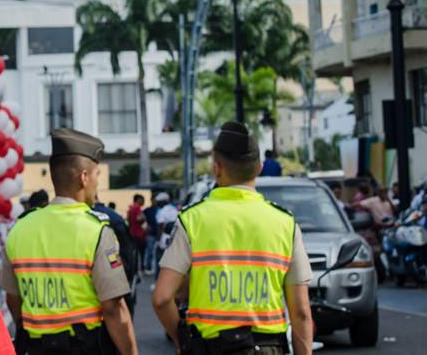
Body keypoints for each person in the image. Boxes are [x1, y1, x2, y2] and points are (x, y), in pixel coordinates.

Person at [152, 121, 313, 355]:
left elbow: (162, 298)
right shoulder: (285, 223)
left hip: (210, 348)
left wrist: (183, 342)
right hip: (268, 348)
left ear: (217, 168)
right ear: (259, 167)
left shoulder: (192, 219)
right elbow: (301, 313)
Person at [2, 129, 138, 354]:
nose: (96, 184)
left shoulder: (20, 229)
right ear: (84, 177)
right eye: (96, 176)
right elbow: (114, 309)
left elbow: (12, 300)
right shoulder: (96, 230)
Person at [126, 194, 147, 277]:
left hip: (132, 233)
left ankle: (134, 269)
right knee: (141, 253)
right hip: (138, 234)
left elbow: (128, 220)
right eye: (142, 200)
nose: (143, 202)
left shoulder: (130, 208)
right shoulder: (137, 207)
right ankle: (141, 269)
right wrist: (144, 218)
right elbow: (139, 219)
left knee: (134, 253)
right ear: (138, 200)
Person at [143, 194, 159, 276]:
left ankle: (158, 268)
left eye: (156, 200)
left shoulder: (160, 209)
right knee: (149, 251)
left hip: (159, 235)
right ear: (151, 200)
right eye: (154, 200)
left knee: (158, 253)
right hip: (151, 234)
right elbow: (142, 219)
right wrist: (146, 226)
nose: (155, 202)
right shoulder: (147, 210)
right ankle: (148, 267)